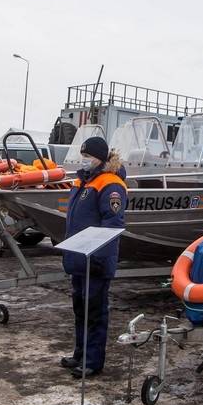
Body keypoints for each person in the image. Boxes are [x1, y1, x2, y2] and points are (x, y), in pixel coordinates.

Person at [59, 136, 127, 378]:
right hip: (79, 258)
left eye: (88, 156)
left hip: (95, 260)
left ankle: (92, 360)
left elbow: (113, 223)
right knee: (81, 309)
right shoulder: (82, 181)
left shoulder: (110, 184)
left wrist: (98, 255)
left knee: (95, 311)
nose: (84, 160)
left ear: (100, 157)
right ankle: (80, 353)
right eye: (83, 155)